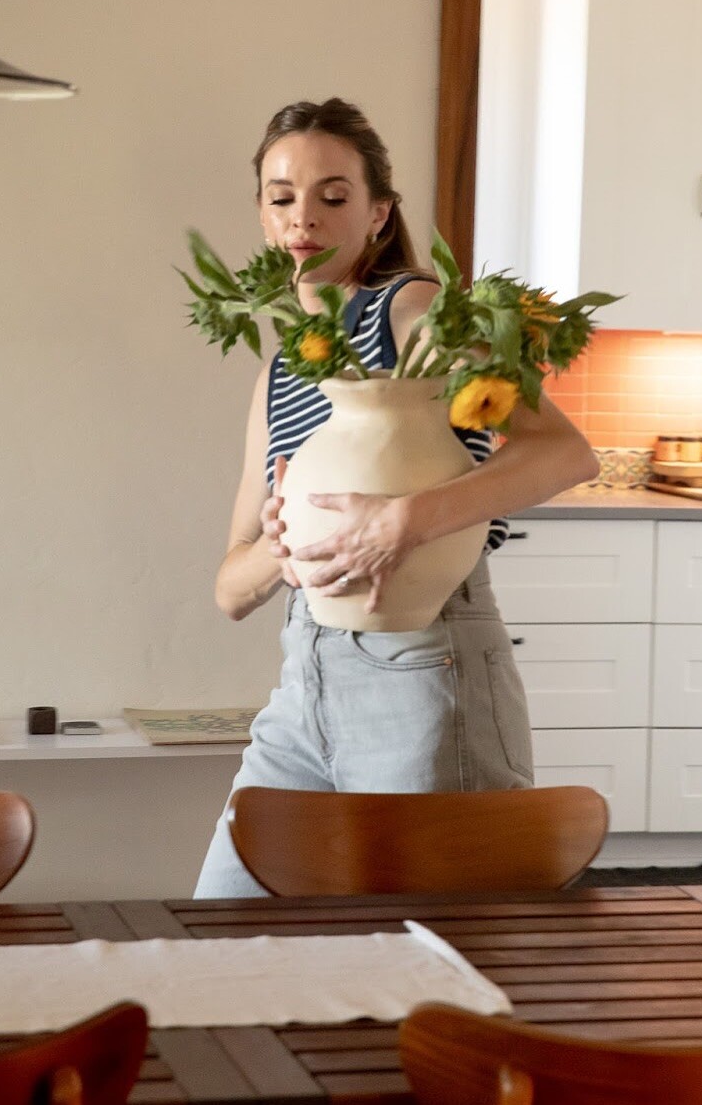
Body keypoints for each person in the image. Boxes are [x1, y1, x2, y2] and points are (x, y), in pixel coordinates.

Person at [193, 97, 598, 898]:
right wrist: (280, 548)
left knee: (436, 945)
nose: (304, 216)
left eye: (333, 195)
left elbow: (564, 450)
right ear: (264, 215)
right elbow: (230, 589)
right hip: (305, 679)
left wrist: (401, 522)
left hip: (422, 663)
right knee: (222, 916)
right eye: (282, 196)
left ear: (378, 212)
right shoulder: (280, 372)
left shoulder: (413, 314)